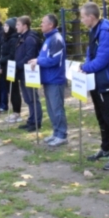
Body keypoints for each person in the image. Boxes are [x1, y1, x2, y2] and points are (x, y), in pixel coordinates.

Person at [80, 2, 109, 171]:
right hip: (94, 79)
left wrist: (84, 68)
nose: (82, 20)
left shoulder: (105, 32)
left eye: (83, 16)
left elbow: (102, 60)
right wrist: (85, 66)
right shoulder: (94, 30)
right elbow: (90, 54)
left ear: (91, 17)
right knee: (100, 116)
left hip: (105, 80)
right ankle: (106, 148)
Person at [29, 14, 67, 147]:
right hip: (48, 79)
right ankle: (56, 133)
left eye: (43, 22)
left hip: (55, 79)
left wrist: (38, 60)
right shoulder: (48, 39)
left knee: (57, 108)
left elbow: (55, 60)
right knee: (51, 108)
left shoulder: (56, 39)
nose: (41, 24)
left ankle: (62, 135)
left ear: (51, 25)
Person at [15, 16, 43, 132]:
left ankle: (36, 122)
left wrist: (18, 65)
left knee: (32, 98)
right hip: (22, 73)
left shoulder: (30, 39)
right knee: (27, 98)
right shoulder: (22, 38)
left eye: (18, 25)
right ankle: (31, 120)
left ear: (25, 26)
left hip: (29, 73)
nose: (16, 27)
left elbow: (29, 56)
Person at [2, 18, 23, 123]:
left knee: (14, 90)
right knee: (10, 90)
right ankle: (14, 111)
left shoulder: (14, 39)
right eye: (4, 25)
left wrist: (1, 60)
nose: (4, 27)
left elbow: (11, 54)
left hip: (11, 67)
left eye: (7, 26)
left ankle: (17, 112)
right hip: (5, 67)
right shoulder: (6, 38)